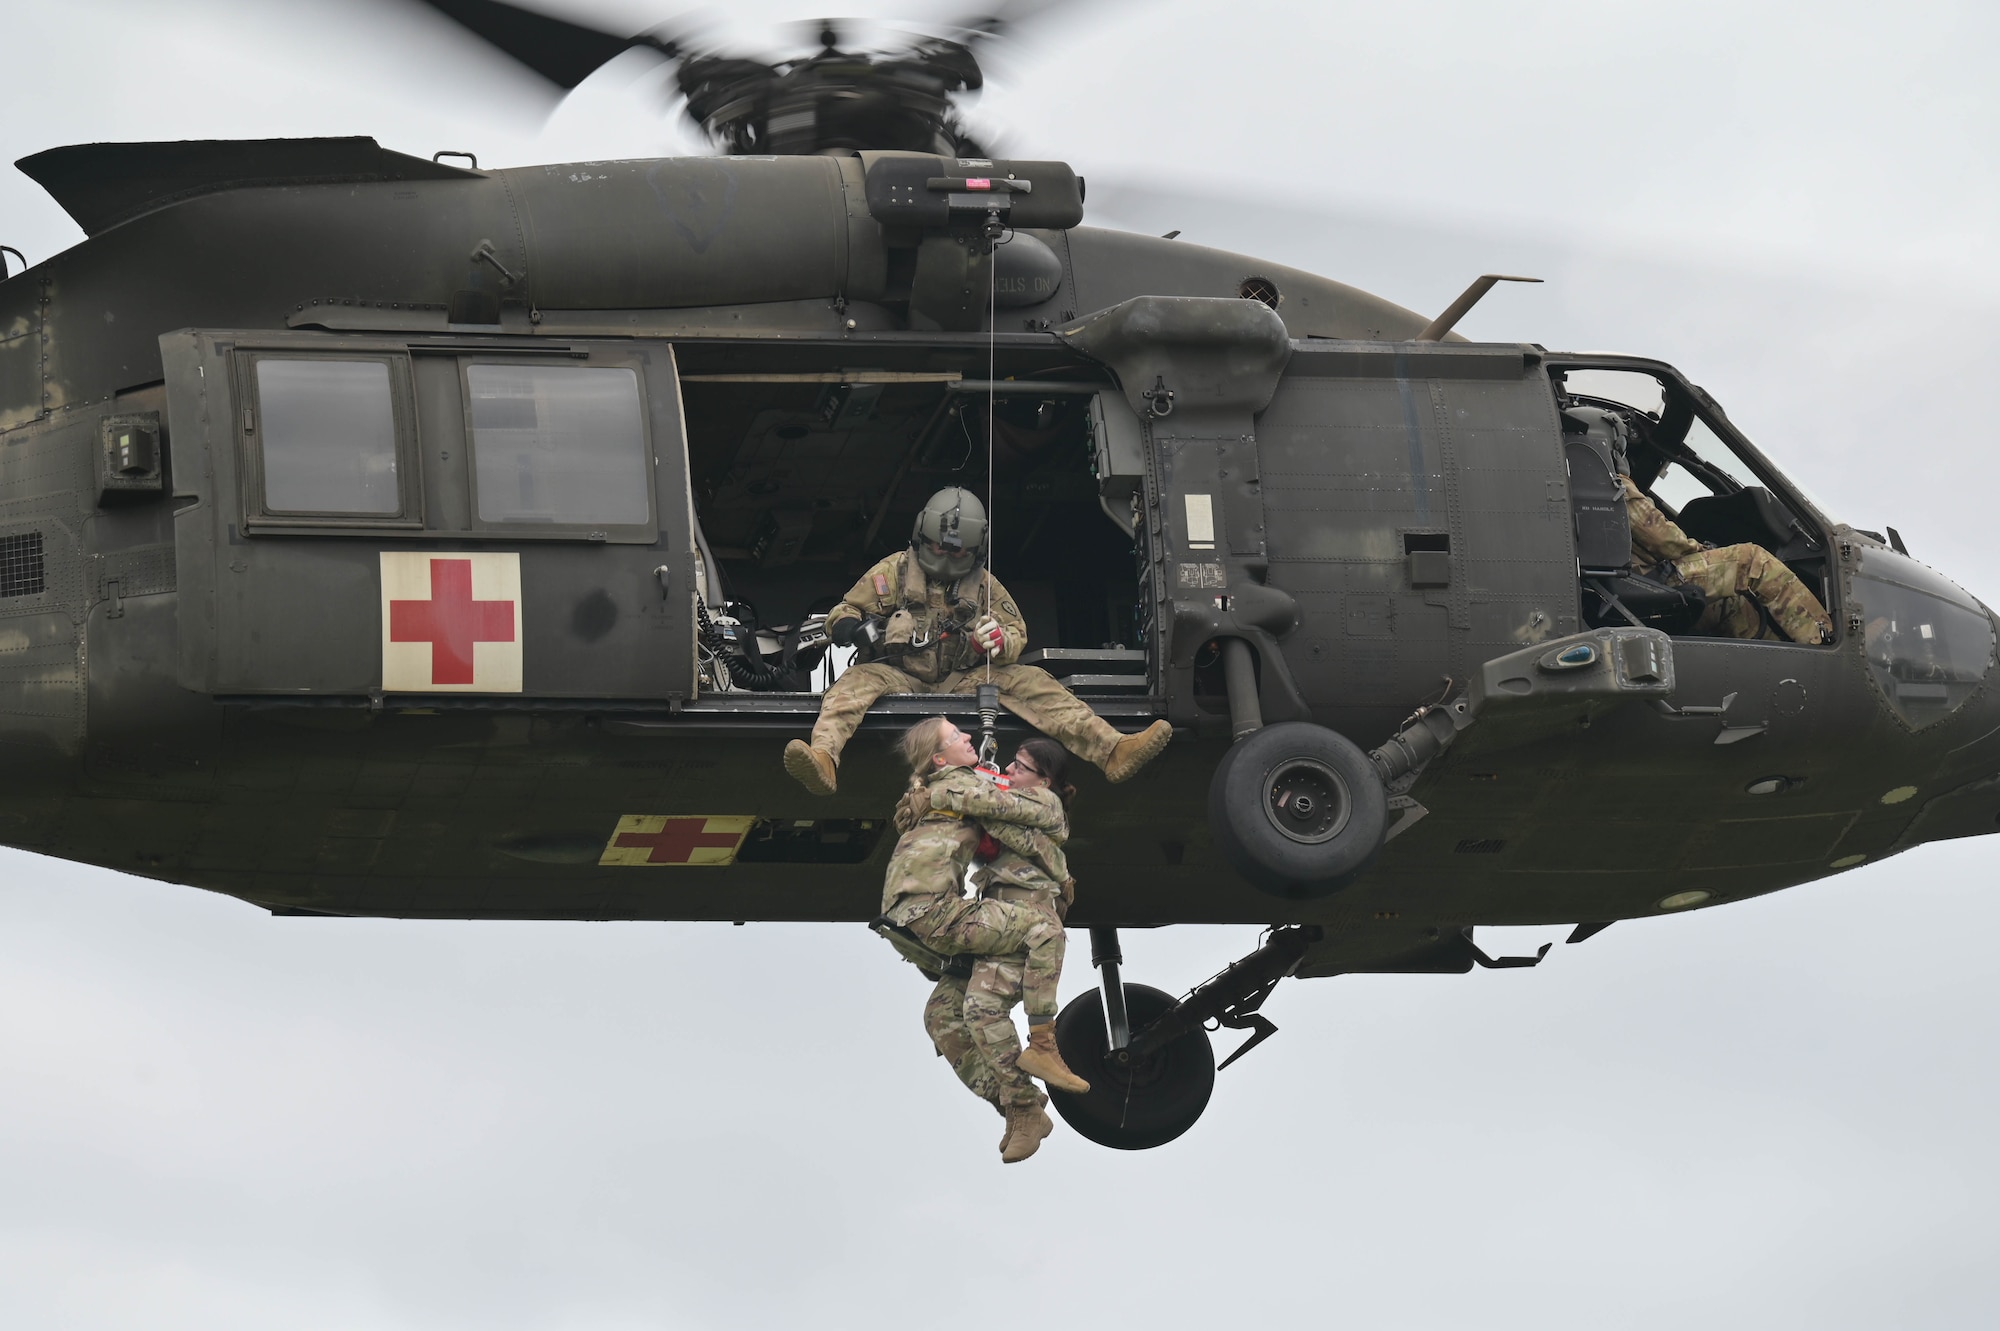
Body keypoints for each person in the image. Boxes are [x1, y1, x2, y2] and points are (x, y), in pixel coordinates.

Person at [783, 487, 1171, 795]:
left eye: (958, 550)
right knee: (850, 686)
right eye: (939, 545)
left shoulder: (984, 585)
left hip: (964, 678)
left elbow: (1016, 631)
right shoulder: (894, 571)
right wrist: (857, 629)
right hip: (898, 675)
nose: (947, 554)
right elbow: (843, 612)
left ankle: (1113, 750)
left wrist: (999, 642)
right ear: (923, 536)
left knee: (1034, 683)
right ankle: (824, 759)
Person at [876, 717, 1091, 1161]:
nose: (1010, 771)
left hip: (1027, 912)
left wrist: (950, 798)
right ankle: (1016, 1105)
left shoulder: (1043, 802)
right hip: (995, 916)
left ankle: (1041, 1049)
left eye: (1021, 767)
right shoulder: (993, 796)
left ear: (1043, 780)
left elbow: (1015, 821)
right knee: (941, 1016)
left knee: (981, 1008)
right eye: (1010, 763)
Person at [1622, 477, 1834, 643]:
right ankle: (1823, 642)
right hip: (1645, 585)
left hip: (1636, 589)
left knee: (1732, 604)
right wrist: (1701, 550)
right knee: (1751, 561)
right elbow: (1663, 540)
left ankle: (1791, 668)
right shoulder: (1613, 480)